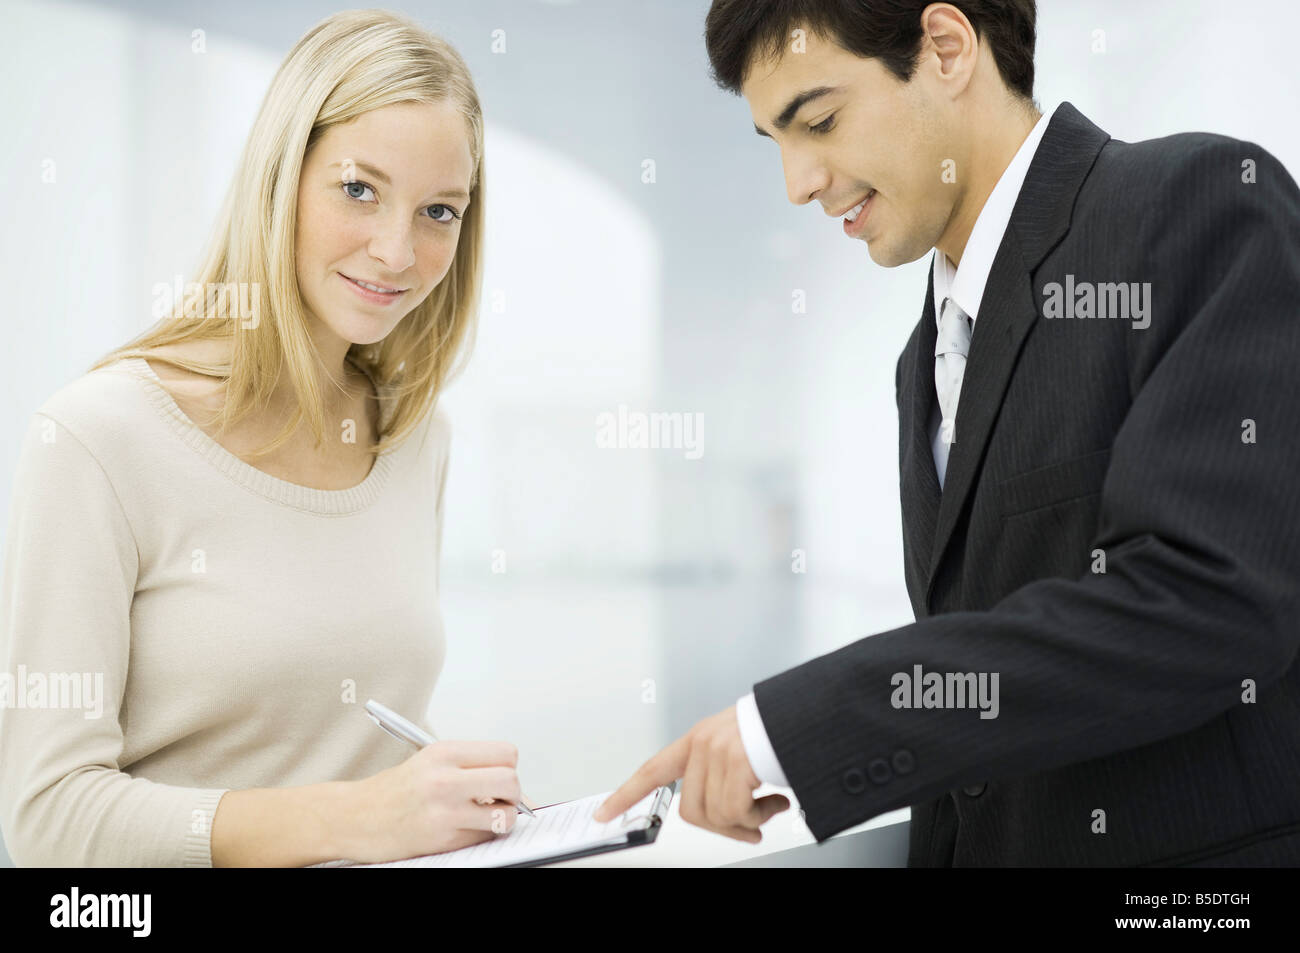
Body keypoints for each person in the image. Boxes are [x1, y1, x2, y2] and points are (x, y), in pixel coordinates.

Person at [596, 0, 1300, 866]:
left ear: (946, 47)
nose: (798, 182)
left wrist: (812, 727)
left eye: (818, 121)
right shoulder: (921, 358)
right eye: (776, 141)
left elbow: (1208, 603)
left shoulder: (1198, 208)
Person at [0, 9, 527, 867]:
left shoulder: (414, 438)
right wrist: (358, 817)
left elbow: (349, 742)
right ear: (280, 179)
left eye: (439, 210)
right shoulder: (99, 439)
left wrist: (455, 807)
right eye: (359, 189)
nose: (397, 251)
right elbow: (48, 820)